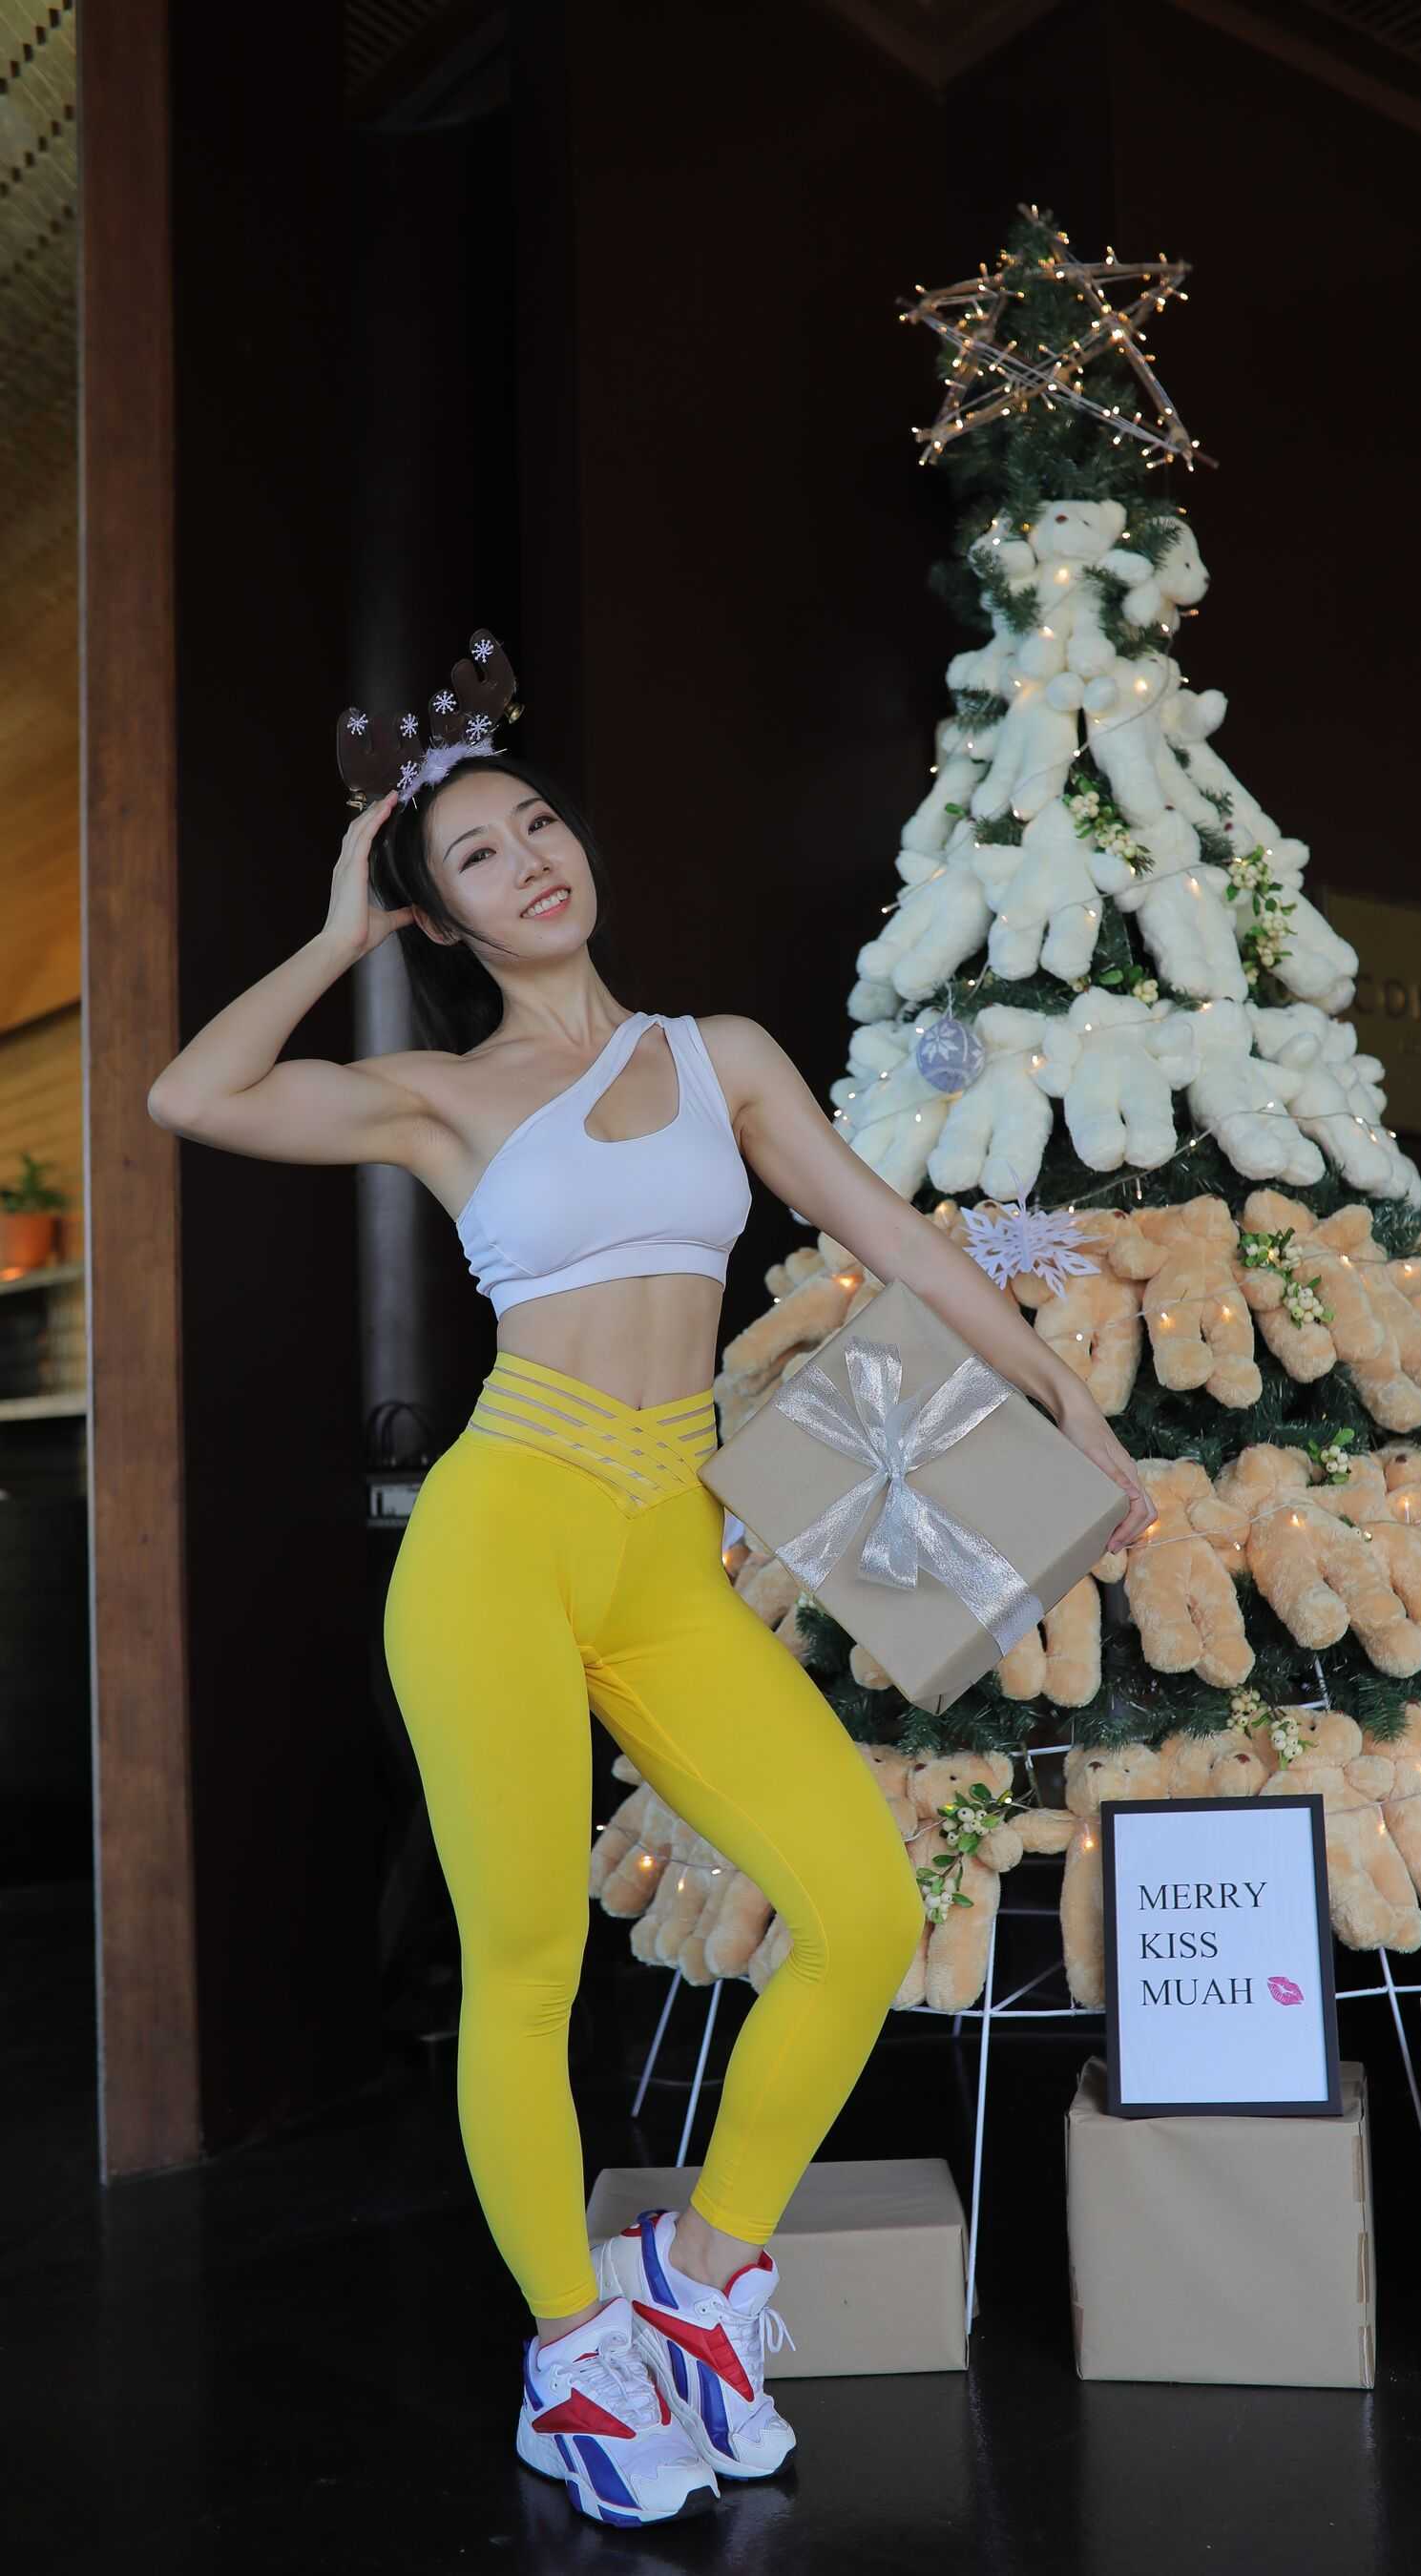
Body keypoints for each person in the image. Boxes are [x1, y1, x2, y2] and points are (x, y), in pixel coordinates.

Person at [146, 734, 1155, 2529]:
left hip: (671, 1552)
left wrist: (1061, 1396)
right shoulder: (438, 1095)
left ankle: (696, 2281)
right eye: (475, 854)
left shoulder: (719, 1058)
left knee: (862, 1911)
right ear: (439, 915)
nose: (530, 859)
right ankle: (574, 2361)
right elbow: (190, 1097)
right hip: (503, 1536)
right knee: (526, 1965)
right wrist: (336, 931)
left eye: (539, 823)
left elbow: (893, 1239)